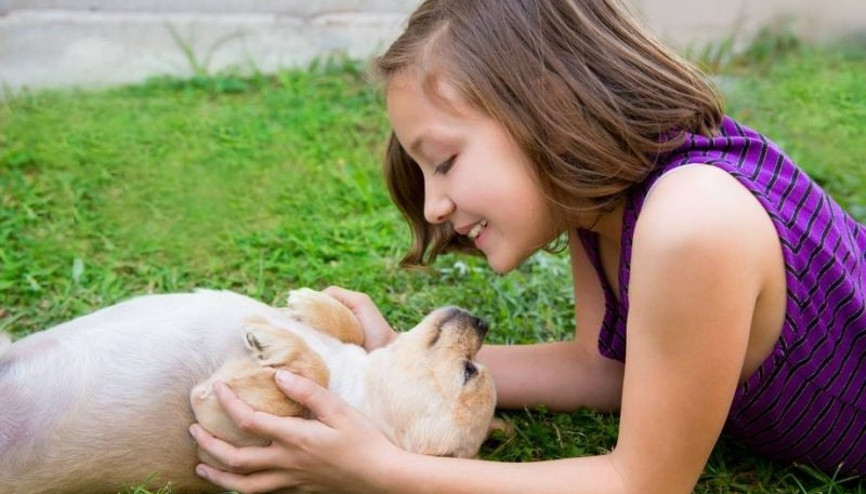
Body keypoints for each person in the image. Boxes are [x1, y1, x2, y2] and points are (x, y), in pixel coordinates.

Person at [187, 0, 866, 492]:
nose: (433, 207)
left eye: (444, 162)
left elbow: (642, 483)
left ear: (548, 110)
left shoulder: (692, 222)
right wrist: (397, 359)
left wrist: (380, 468)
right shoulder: (603, 199)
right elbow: (609, 369)